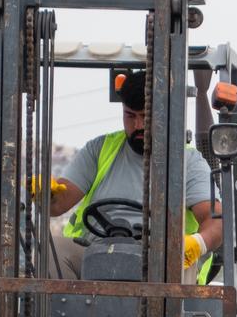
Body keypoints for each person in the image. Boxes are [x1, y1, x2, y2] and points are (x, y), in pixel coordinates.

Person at [38, 74, 223, 280]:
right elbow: (58, 204)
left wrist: (197, 243)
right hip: (96, 251)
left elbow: (216, 221)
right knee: (49, 250)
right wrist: (47, 194)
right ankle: (65, 301)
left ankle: (170, 301)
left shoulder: (188, 162)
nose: (138, 125)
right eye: (130, 116)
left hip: (160, 260)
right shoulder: (99, 150)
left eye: (146, 117)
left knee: (178, 258)